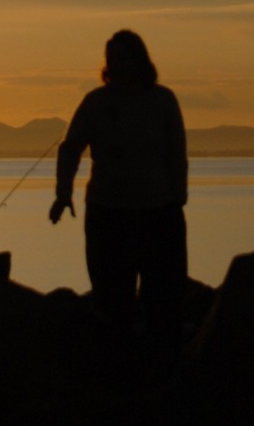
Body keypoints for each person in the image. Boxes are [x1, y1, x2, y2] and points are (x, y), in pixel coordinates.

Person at [50, 30, 189, 343]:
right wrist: (63, 193)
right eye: (110, 60)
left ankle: (161, 362)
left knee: (164, 298)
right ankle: (114, 364)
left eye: (122, 59)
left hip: (158, 212)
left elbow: (177, 153)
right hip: (108, 213)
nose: (115, 65)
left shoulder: (162, 100)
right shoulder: (96, 103)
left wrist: (177, 199)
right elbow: (71, 148)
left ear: (139, 61)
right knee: (112, 299)